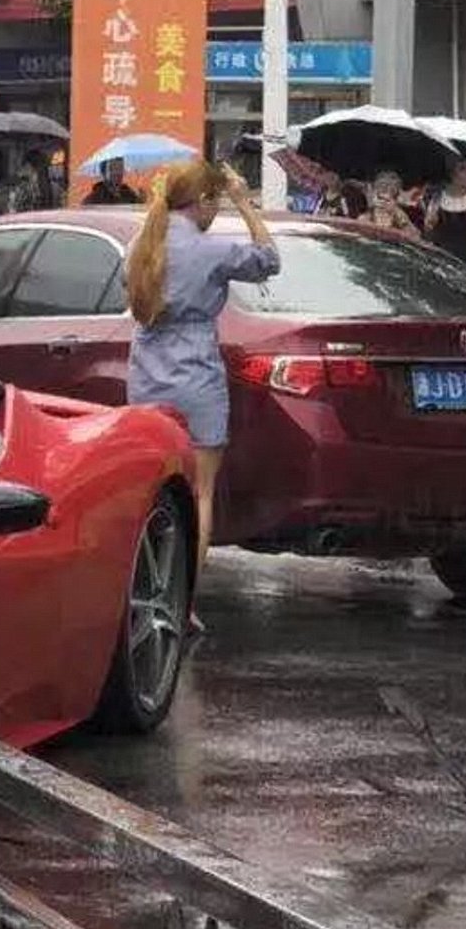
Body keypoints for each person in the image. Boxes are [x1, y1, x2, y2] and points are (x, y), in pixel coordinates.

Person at [123, 161, 280, 633]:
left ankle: (138, 593)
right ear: (205, 202)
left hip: (147, 372)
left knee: (146, 491)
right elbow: (268, 259)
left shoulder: (141, 243)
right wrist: (243, 200)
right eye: (214, 202)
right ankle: (182, 604)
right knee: (200, 492)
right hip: (197, 373)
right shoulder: (212, 250)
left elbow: (128, 291)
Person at [360, 170, 419, 238]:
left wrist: (397, 213)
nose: (383, 204)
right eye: (380, 199)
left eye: (387, 201)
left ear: (395, 201)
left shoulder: (401, 218)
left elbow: (416, 237)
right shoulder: (364, 220)